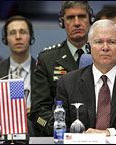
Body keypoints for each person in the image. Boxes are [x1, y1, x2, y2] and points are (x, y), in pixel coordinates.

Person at [47, 20, 116, 136]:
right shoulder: (67, 82)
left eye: (112, 42)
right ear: (88, 48)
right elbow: (56, 124)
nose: (105, 47)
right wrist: (84, 137)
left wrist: (109, 132)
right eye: (99, 42)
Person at [30, 1, 93, 136]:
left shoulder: (102, 56)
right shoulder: (47, 59)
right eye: (70, 17)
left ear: (90, 19)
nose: (76, 23)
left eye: (81, 16)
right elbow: (38, 110)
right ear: (62, 22)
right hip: (59, 133)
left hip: (97, 132)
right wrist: (56, 127)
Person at [0, 15, 36, 117]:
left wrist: (35, 111)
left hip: (35, 127)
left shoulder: (41, 69)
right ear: (6, 39)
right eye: (12, 33)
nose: (18, 37)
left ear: (30, 37)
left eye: (22, 32)